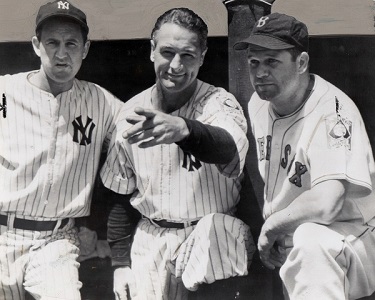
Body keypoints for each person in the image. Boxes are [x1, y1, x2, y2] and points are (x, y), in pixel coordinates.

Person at [100, 7, 255, 300]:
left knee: (220, 229)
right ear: (152, 50)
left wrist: (185, 129)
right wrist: (120, 263)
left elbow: (227, 147)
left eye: (187, 55)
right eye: (167, 52)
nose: (176, 65)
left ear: (203, 55)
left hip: (210, 241)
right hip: (152, 239)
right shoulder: (130, 112)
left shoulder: (218, 103)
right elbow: (119, 193)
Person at [234, 12, 375, 300]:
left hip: (355, 235)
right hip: (298, 238)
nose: (260, 72)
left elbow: (327, 203)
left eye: (272, 61)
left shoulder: (333, 112)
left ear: (301, 63)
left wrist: (273, 225)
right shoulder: (259, 105)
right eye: (254, 62)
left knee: (312, 243)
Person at [0, 1, 124, 299]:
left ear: (85, 48)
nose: (61, 53)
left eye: (71, 43)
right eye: (52, 43)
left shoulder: (102, 102)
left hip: (56, 238)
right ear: (36, 45)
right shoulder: (4, 92)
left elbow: (140, 131)